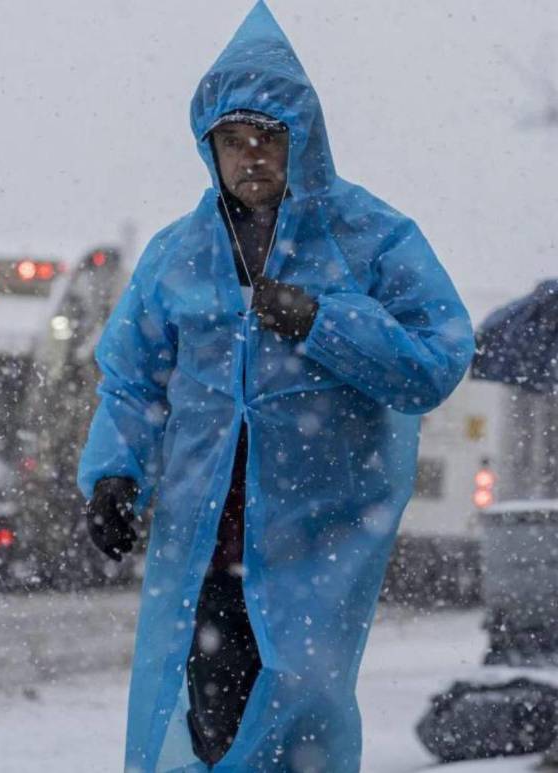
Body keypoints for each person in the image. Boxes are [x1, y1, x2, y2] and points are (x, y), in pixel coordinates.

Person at [78, 4, 474, 771]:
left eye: (269, 136)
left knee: (302, 735)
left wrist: (324, 321)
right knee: (213, 727)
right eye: (233, 139)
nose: (251, 155)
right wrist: (114, 477)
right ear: (210, 147)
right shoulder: (177, 254)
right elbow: (132, 381)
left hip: (317, 552)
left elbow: (437, 358)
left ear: (305, 140)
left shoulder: (371, 237)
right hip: (206, 554)